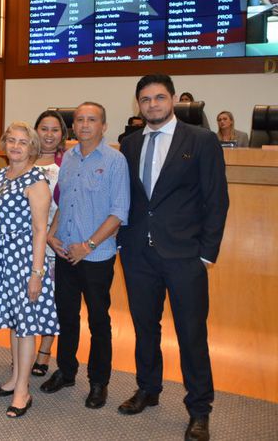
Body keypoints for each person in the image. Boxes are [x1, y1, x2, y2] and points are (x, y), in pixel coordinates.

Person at [118, 74, 229, 441]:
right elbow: (128, 200)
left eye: (159, 98)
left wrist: (206, 255)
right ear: (138, 104)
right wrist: (122, 242)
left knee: (191, 334)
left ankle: (199, 408)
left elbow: (216, 201)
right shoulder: (129, 144)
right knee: (145, 328)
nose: (153, 105)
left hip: (185, 257)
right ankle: (148, 389)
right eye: (146, 99)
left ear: (173, 100)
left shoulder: (201, 140)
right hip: (138, 256)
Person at [40, 101, 130, 410]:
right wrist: (52, 235)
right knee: (66, 317)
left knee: (98, 320)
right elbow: (64, 206)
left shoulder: (116, 160)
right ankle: (66, 371)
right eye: (79, 120)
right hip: (65, 253)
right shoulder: (68, 160)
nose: (84, 125)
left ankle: (99, 382)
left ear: (104, 126)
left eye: (92, 120)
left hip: (96, 256)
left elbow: (119, 212)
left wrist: (88, 245)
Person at [0, 122, 57, 418]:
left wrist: (36, 273)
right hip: (2, 257)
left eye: (23, 142)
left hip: (26, 259)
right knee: (14, 322)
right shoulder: (0, 175)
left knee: (25, 325)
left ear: (33, 148)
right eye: (11, 140)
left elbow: (41, 230)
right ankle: (14, 379)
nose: (15, 146)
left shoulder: (36, 180)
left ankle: (23, 391)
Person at [28, 110, 67, 378]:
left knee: (51, 300)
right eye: (44, 128)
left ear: (62, 135)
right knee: (26, 298)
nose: (49, 134)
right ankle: (24, 351)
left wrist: (52, 235)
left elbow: (66, 205)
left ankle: (44, 352)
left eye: (55, 129)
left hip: (53, 242)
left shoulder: (67, 165)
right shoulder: (23, 161)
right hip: (24, 242)